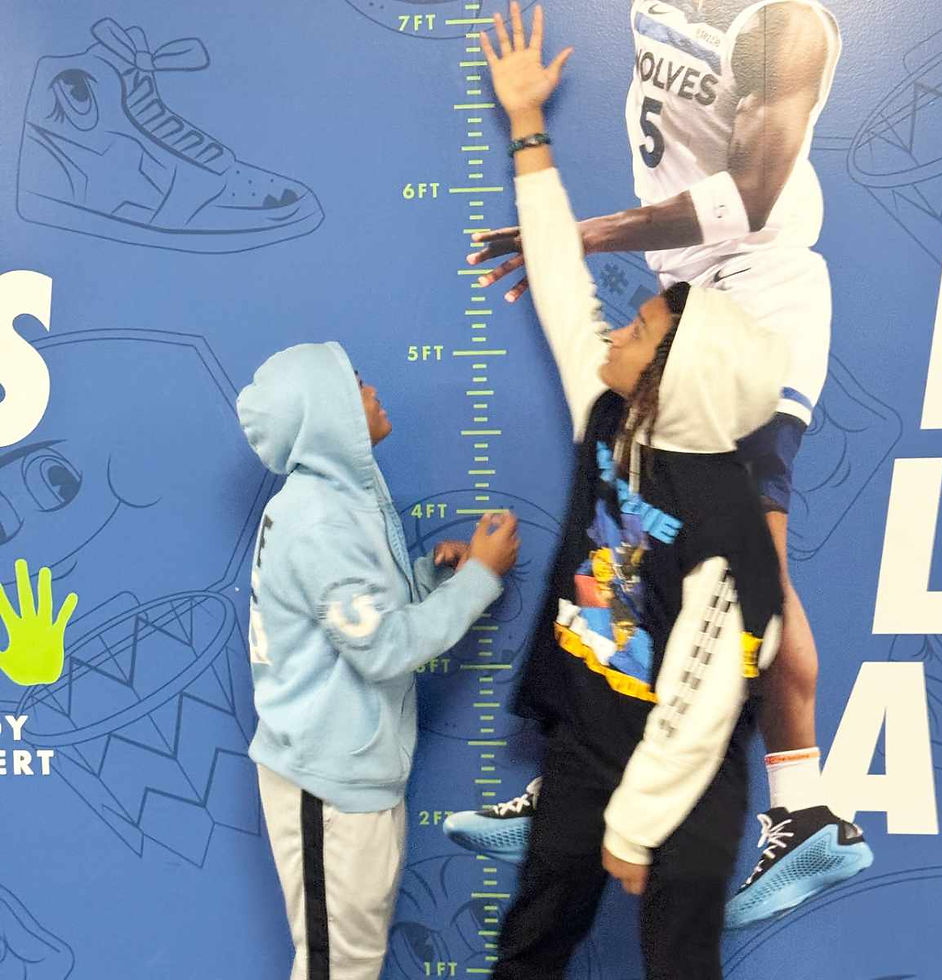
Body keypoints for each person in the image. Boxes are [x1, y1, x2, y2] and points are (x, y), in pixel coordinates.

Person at [446, 0, 873, 927]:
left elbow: (750, 196)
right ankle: (600, 777)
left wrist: (587, 234)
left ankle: (803, 809)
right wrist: (527, 120)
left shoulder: (784, 24)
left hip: (758, 298)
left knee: (741, 563)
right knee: (636, 541)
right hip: (689, 293)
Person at [236, 341, 520, 980]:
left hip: (349, 774)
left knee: (351, 962)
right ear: (325, 415)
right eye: (355, 385)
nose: (371, 392)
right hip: (327, 783)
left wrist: (432, 579)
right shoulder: (321, 520)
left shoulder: (335, 502)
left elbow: (358, 618)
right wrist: (480, 577)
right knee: (337, 966)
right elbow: (385, 648)